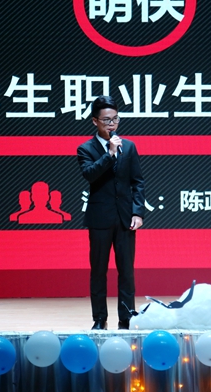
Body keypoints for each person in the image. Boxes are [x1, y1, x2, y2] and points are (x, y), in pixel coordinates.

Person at [77, 96, 145, 330]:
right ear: (95, 121)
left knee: (126, 271)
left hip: (125, 218)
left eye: (115, 119)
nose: (112, 124)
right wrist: (110, 154)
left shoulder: (130, 146)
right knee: (98, 271)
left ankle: (126, 318)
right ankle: (99, 318)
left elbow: (137, 182)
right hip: (100, 218)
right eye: (106, 120)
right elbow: (90, 175)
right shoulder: (86, 149)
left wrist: (137, 212)